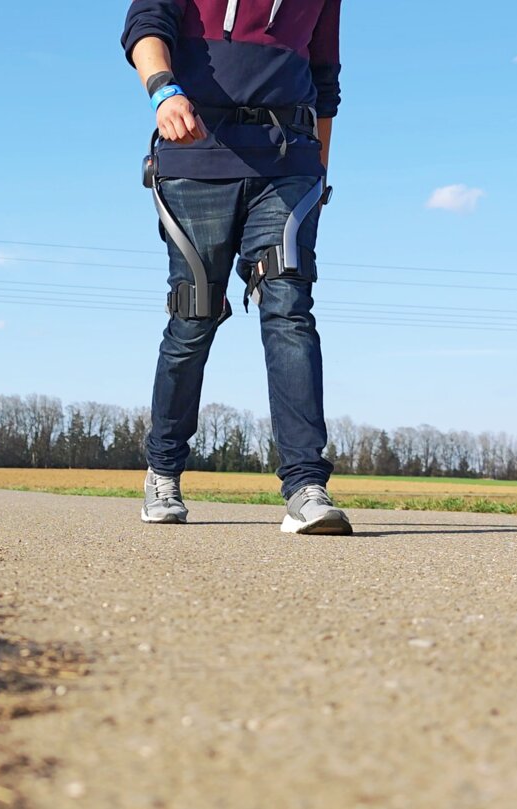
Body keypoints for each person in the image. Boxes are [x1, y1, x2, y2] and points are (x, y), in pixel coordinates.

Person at [123, 0, 352, 534]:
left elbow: (325, 78)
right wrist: (163, 90)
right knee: (194, 316)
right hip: (194, 155)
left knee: (289, 309)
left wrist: (319, 173)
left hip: (288, 164)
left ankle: (306, 486)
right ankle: (163, 472)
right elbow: (144, 27)